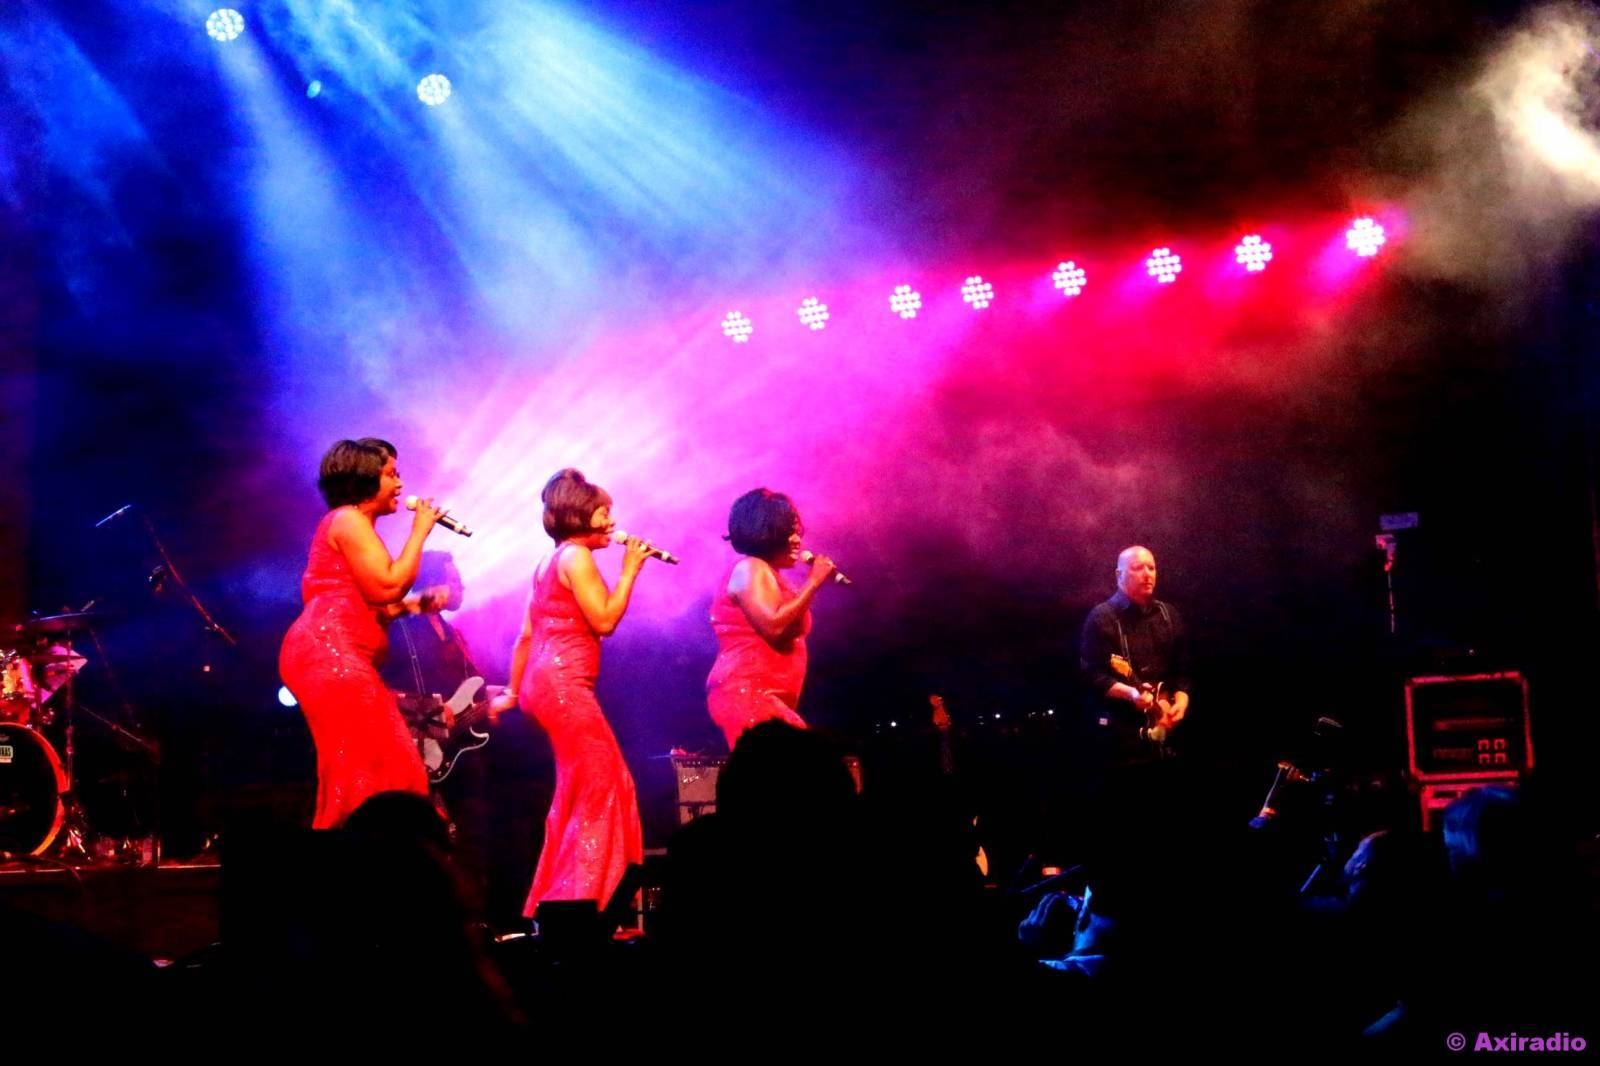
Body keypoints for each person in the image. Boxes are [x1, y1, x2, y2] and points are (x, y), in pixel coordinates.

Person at [495, 468, 653, 914]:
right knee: (605, 783)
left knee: (580, 787)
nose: (611, 521)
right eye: (604, 512)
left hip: (543, 685)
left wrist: (513, 692)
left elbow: (525, 636)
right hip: (563, 685)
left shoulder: (547, 563)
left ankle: (563, 900)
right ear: (581, 515)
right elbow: (604, 620)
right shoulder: (577, 557)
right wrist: (630, 572)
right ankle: (585, 903)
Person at [279, 438, 445, 828]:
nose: (400, 485)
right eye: (391, 474)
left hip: (329, 654)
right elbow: (387, 585)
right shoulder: (348, 519)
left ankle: (354, 851)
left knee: (365, 767)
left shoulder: (353, 524)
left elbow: (373, 602)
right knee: (385, 768)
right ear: (366, 477)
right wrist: (420, 532)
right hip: (328, 654)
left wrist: (412, 606)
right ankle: (360, 851)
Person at [705, 488, 835, 750]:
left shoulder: (770, 575)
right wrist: (813, 582)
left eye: (798, 532)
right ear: (766, 531)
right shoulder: (750, 568)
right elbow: (774, 627)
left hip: (766, 694)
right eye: (789, 531)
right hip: (748, 692)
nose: (797, 540)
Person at [1079, 545, 1191, 760]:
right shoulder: (1101, 618)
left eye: (1152, 567)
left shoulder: (1169, 614)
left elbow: (1183, 669)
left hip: (1169, 731)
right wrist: (1131, 693)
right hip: (1120, 736)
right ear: (1119, 575)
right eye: (1138, 567)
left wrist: (1181, 703)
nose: (1147, 574)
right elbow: (1091, 674)